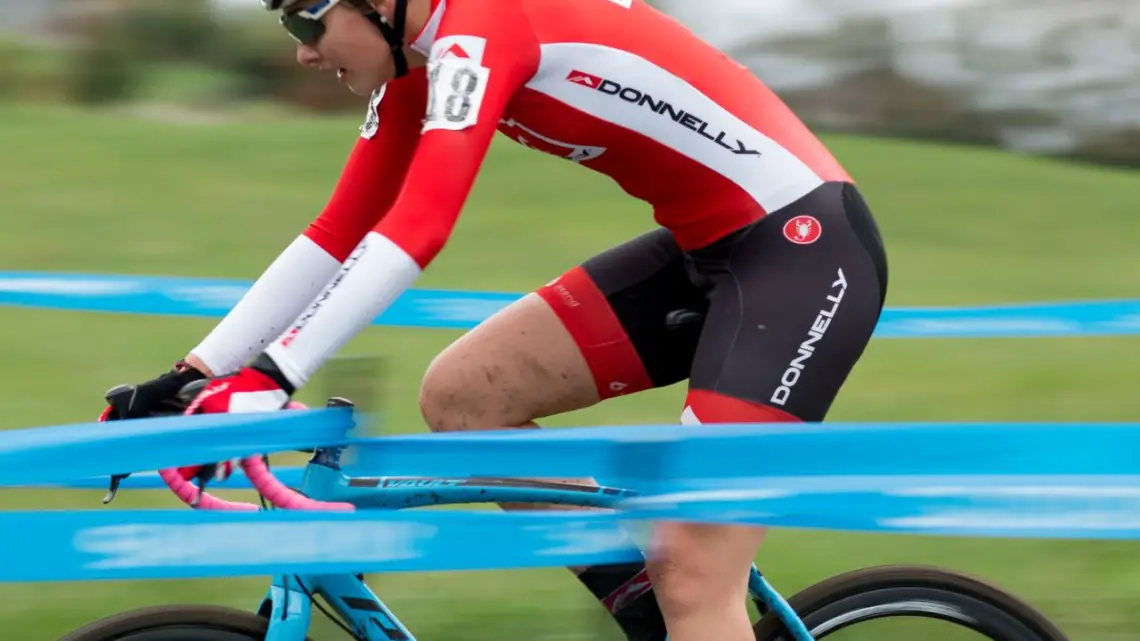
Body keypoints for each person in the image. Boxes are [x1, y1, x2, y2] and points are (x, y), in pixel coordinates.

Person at [100, 0, 889, 639]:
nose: (303, 51)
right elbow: (338, 231)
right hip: (704, 252)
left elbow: (420, 228)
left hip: (804, 256)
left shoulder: (481, 29)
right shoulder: (417, 66)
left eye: (305, 20)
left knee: (696, 574)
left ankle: (685, 603)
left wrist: (273, 376)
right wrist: (193, 374)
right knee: (467, 393)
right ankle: (648, 610)